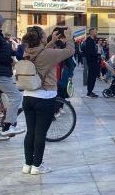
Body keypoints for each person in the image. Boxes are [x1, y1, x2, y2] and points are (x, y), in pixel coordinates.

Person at [20, 26, 75, 175]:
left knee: (30, 131)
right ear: (41, 38)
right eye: (45, 34)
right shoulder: (48, 54)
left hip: (28, 96)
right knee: (40, 133)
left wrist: (52, 40)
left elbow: (41, 51)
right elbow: (69, 51)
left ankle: (27, 165)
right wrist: (69, 38)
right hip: (44, 97)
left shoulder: (27, 51)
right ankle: (37, 166)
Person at [83, 28, 101, 98]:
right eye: (96, 32)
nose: (96, 33)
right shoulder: (90, 41)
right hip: (92, 62)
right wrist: (98, 54)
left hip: (94, 61)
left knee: (93, 77)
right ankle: (89, 92)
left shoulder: (92, 41)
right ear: (92, 32)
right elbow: (90, 53)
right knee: (91, 77)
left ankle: (90, 91)